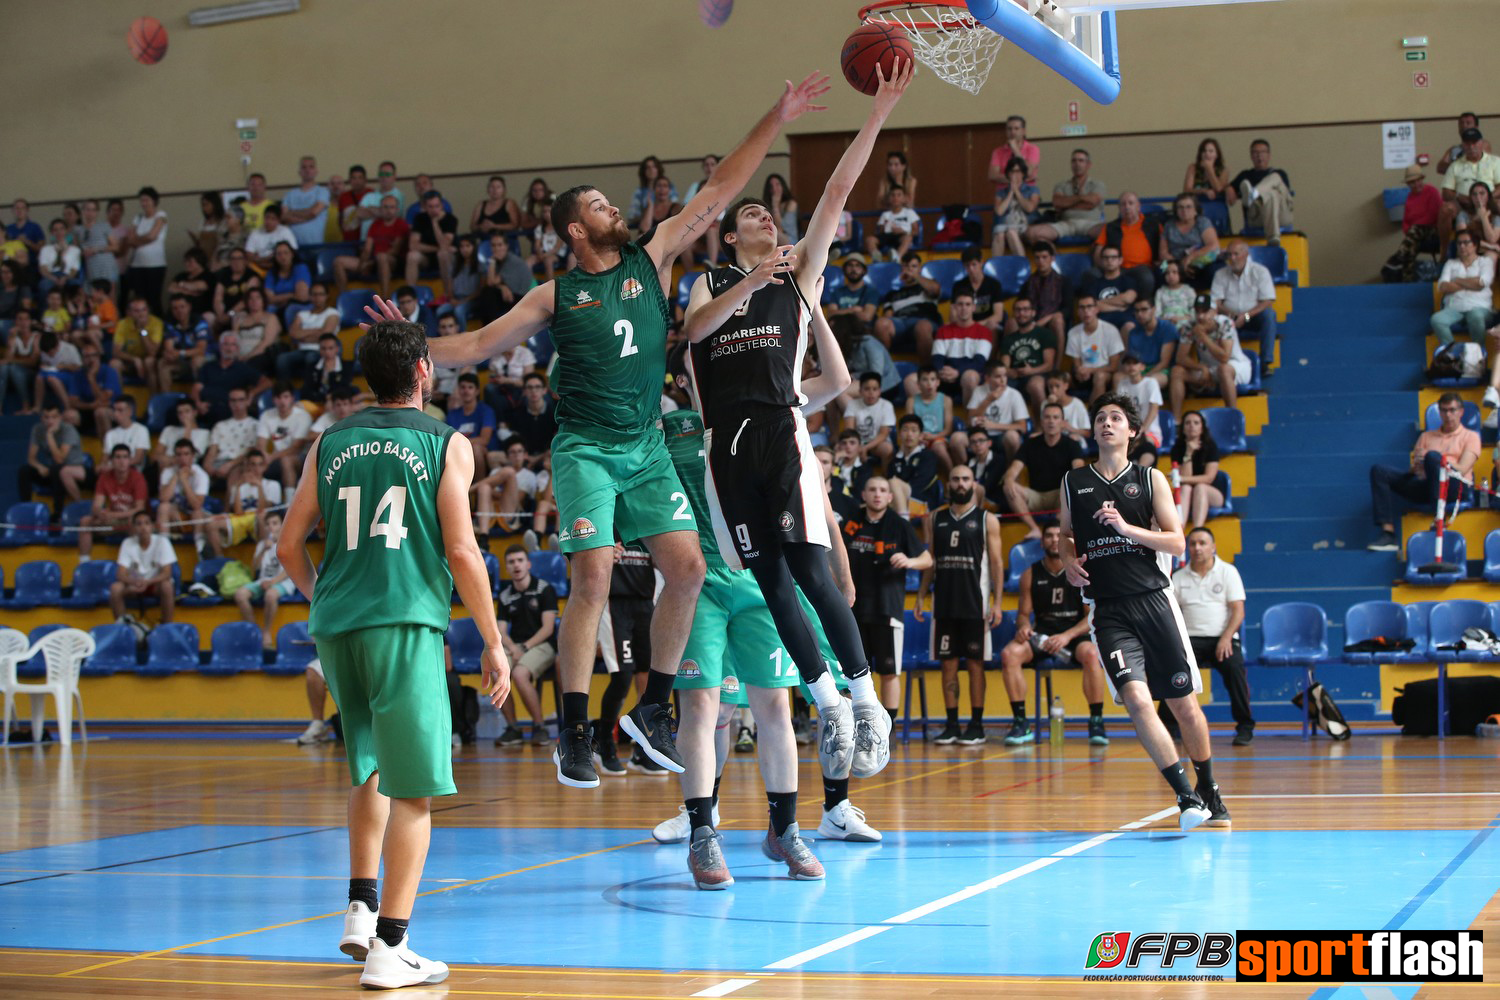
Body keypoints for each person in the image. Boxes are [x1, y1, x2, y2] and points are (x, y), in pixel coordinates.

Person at [404, 71, 831, 788]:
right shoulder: (556, 293)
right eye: (600, 205)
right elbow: (477, 346)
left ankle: (654, 708)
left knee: (689, 569)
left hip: (648, 448)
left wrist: (777, 115)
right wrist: (411, 348)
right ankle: (573, 727)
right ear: (577, 229)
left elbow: (720, 190)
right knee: (593, 574)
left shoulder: (653, 257)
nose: (615, 208)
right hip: (586, 451)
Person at [682, 62, 911, 781]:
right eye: (750, 214)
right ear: (731, 236)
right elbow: (694, 337)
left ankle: (867, 700)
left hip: (781, 431)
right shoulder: (711, 283)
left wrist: (878, 112)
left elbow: (840, 189)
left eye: (769, 215)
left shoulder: (797, 274)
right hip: (725, 444)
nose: (763, 218)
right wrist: (751, 279)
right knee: (770, 578)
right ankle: (827, 704)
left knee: (811, 569)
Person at [277, 318, 509, 989]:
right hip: (402, 620)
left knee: (369, 765)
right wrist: (493, 640)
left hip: (338, 625)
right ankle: (392, 947)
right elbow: (463, 551)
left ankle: (359, 905)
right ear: (423, 374)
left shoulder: (330, 440)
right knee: (414, 792)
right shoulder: (445, 442)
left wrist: (324, 599)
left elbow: (290, 546)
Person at [1061, 392, 1227, 831]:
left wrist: (1126, 527)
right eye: (1100, 418)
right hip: (1107, 609)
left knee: (1183, 704)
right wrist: (1066, 559)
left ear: (1132, 431)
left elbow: (1176, 542)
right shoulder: (1073, 482)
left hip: (1154, 599)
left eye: (1115, 418)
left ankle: (1208, 786)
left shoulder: (1150, 478)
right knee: (1136, 699)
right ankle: (1184, 795)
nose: (1106, 424)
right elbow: (1064, 534)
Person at [998, 521, 1109, 745]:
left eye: (1059, 535)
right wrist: (1022, 627)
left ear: (1068, 541)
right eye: (1048, 535)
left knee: (1091, 654)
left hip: (1074, 634)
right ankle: (1021, 722)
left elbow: (1091, 618)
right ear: (1042, 542)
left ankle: (1096, 721)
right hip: (1043, 634)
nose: (1053, 540)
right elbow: (1022, 614)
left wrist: (1067, 636)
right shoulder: (1031, 573)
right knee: (1009, 654)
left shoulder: (1082, 572)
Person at [917, 463, 1004, 745]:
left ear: (974, 484)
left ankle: (976, 725)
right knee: (948, 665)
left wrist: (998, 602)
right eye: (955, 479)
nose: (960, 484)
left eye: (966, 479)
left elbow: (997, 563)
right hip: (943, 603)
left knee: (976, 665)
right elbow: (930, 561)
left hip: (975, 605)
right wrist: (920, 594)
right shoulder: (933, 519)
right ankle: (952, 724)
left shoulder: (987, 520)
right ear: (949, 485)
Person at [844, 476, 930, 716]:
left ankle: (888, 727)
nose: (877, 494)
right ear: (864, 494)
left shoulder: (899, 525)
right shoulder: (853, 522)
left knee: (889, 671)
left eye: (883, 490)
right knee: (854, 673)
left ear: (890, 497)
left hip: (886, 609)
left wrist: (909, 560)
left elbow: (927, 560)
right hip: (853, 610)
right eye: (872, 489)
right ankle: (855, 724)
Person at [1170, 527, 1253, 746]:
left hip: (1222, 639)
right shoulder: (1178, 577)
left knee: (1235, 670)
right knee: (1174, 672)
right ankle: (1169, 727)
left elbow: (1238, 611)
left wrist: (1226, 638)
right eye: (1193, 544)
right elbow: (1171, 615)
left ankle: (1245, 727)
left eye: (1202, 543)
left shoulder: (1228, 572)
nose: (1197, 548)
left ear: (1213, 547)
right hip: (1190, 642)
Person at [1368, 391, 1479, 551]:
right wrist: (1418, 466)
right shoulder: (1426, 436)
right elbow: (1417, 471)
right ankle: (1388, 534)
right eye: (1444, 410)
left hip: (1456, 487)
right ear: (1439, 412)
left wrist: (1433, 459)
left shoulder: (1471, 436)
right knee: (1379, 471)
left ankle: (1438, 518)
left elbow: (1462, 469)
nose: (1448, 415)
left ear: (1461, 412)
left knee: (1434, 457)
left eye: (1452, 410)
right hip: (1428, 485)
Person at [590, 540, 656, 774]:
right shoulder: (609, 515)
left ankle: (644, 748)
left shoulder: (647, 518)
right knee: (623, 676)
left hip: (646, 601)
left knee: (648, 676)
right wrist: (602, 554)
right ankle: (604, 742)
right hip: (615, 603)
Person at [495, 545, 560, 746]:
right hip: (515, 645)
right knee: (499, 671)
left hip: (542, 645)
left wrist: (523, 648)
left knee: (519, 674)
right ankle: (513, 728)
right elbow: (500, 632)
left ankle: (539, 727)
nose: (516, 565)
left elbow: (548, 629)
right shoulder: (505, 596)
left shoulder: (544, 589)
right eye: (511, 562)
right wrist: (514, 648)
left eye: (520, 560)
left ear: (528, 564)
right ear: (507, 567)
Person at [1001, 402, 1085, 540]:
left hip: (1060, 495)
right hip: (1036, 496)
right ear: (1041, 421)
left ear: (1062, 422)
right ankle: (1034, 529)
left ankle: (1058, 528)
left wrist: (1072, 486)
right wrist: (1009, 480)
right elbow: (1013, 469)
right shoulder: (1030, 443)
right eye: (1047, 417)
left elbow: (1079, 471)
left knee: (1072, 487)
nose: (1051, 421)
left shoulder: (1072, 445)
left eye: (1055, 417)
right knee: (1008, 487)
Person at [1169, 292, 1251, 420]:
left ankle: (1232, 417)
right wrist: (1201, 367)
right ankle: (1176, 421)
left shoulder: (1226, 323)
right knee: (1176, 371)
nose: (1200, 316)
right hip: (1209, 368)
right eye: (1197, 311)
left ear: (1214, 312)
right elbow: (1180, 358)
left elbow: (1224, 357)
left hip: (1235, 365)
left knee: (1223, 369)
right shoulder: (1190, 326)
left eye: (1205, 311)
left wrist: (1203, 336)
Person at [1210, 239, 1277, 369]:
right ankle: (1217, 363)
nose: (1232, 258)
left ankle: (1265, 362)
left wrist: (1245, 316)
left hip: (1250, 317)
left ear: (1246, 254)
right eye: (1229, 255)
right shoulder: (1220, 274)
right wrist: (1232, 315)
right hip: (1229, 317)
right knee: (1210, 317)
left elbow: (1268, 301)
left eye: (1236, 254)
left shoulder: (1260, 271)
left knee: (1269, 315)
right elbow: (1216, 302)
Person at [232, 510, 295, 649]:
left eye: (274, 523)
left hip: (284, 581)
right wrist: (262, 551)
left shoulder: (289, 542)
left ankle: (266, 632)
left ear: (282, 524)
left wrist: (272, 582)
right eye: (268, 524)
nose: (271, 527)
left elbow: (290, 570)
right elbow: (254, 568)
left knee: (271, 595)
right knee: (240, 595)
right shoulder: (262, 544)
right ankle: (255, 631)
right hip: (264, 580)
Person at [1438, 126, 1500, 256]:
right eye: (1467, 143)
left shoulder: (1495, 162)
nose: (1471, 146)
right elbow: (1446, 193)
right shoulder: (1455, 166)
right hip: (1464, 203)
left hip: (1490, 202)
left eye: (1475, 142)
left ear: (1481, 143)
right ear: (1463, 146)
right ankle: (1444, 250)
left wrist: (1486, 197)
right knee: (1445, 209)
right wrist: (1460, 196)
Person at [18, 402, 90, 514]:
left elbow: (60, 459)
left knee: (57, 469)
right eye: (46, 417)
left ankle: (57, 512)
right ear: (42, 418)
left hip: (73, 471)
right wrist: (40, 467)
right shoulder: (38, 429)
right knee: (25, 470)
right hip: (53, 471)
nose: (50, 421)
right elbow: (31, 458)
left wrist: (49, 435)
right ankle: (26, 509)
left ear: (60, 417)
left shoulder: (68, 430)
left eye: (54, 417)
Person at [78, 444, 147, 557]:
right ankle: (84, 563)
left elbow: (139, 509)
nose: (121, 461)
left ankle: (138, 563)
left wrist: (112, 515)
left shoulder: (138, 478)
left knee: (135, 521)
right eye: (118, 457)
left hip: (129, 520)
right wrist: (99, 513)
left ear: (130, 460)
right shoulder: (104, 477)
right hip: (112, 520)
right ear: (112, 460)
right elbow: (96, 505)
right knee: (85, 521)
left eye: (125, 457)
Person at [1026, 148, 1106, 246]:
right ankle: (1053, 258)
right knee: (1032, 233)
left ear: (1088, 165)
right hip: (1066, 224)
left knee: (1112, 231)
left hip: (1090, 224)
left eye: (1081, 161)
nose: (1077, 164)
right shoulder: (1061, 185)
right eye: (1074, 161)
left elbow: (1093, 201)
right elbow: (1058, 203)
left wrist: (1067, 204)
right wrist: (1081, 198)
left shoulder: (1097, 184)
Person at [109, 510, 177, 624]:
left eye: (146, 523)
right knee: (115, 588)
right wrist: (134, 582)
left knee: (167, 586)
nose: (143, 527)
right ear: (134, 528)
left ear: (152, 526)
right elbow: (120, 574)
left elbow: (167, 573)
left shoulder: (162, 542)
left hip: (154, 584)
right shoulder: (127, 543)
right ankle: (122, 627)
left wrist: (148, 582)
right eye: (139, 524)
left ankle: (167, 624)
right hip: (134, 585)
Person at [335, 195, 408, 298]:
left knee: (382, 257)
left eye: (391, 207)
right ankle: (343, 297)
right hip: (373, 261)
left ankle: (385, 298)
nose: (388, 210)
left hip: (393, 261)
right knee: (339, 261)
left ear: (397, 209)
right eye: (385, 207)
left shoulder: (401, 224)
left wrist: (371, 263)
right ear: (381, 209)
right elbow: (367, 249)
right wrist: (362, 265)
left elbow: (394, 251)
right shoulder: (375, 224)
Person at [1430, 232, 1496, 344]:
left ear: (1475, 245)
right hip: (1454, 308)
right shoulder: (1451, 263)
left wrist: (1456, 280)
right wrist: (1472, 282)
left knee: (1475, 316)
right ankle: (1451, 353)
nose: (1461, 246)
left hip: (1479, 307)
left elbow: (1482, 284)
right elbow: (1443, 286)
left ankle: (1478, 355)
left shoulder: (1485, 262)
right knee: (1437, 320)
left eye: (1466, 243)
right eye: (1459, 243)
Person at [873, 250, 941, 359]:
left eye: (913, 266)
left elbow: (934, 289)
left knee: (922, 327)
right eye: (906, 266)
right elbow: (888, 316)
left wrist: (915, 276)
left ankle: (927, 371)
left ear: (920, 269)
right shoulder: (892, 294)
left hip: (923, 321)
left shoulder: (926, 286)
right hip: (900, 323)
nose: (909, 270)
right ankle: (886, 367)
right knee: (881, 323)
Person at [1381, 164, 1442, 283]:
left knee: (1414, 232)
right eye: (1412, 182)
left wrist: (1414, 227)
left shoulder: (1432, 192)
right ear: (1408, 184)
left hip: (1433, 230)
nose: (1416, 184)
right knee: (1411, 247)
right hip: (1416, 235)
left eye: (1418, 181)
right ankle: (1407, 280)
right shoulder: (1409, 197)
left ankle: (1397, 258)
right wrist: (1410, 230)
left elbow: (1433, 216)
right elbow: (1406, 221)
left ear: (1422, 180)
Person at [1093, 192, 1160, 299]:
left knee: (1146, 277)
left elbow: (1164, 246)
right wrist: (1106, 267)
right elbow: (1098, 252)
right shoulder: (1110, 227)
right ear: (1119, 208)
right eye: (1123, 204)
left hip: (1142, 268)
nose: (1127, 207)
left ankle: (1142, 309)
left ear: (1138, 206)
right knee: (1091, 274)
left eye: (1130, 203)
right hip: (1115, 267)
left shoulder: (1153, 225)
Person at [1226, 139, 1293, 244]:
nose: (1259, 155)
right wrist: (1229, 188)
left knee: (1275, 180)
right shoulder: (1245, 175)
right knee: (1272, 194)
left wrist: (1258, 192)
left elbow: (1285, 195)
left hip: (1281, 215)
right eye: (1255, 152)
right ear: (1251, 156)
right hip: (1257, 217)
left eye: (1263, 152)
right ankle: (1273, 237)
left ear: (1269, 155)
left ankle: (1254, 193)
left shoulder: (1280, 173)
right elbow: (1230, 199)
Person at [996, 297, 1056, 412]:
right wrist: (1010, 372)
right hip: (1015, 376)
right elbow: (1004, 366)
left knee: (1036, 385)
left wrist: (1031, 371)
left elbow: (1049, 364)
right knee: (999, 384)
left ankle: (1041, 426)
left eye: (1025, 309)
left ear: (1033, 312)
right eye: (1018, 310)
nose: (1021, 313)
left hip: (1038, 373)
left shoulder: (1045, 334)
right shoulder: (1008, 339)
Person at [1064, 294, 1124, 402]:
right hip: (1084, 373)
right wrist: (1079, 371)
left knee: (1099, 377)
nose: (1086, 311)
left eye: (1089, 306)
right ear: (1078, 312)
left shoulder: (1110, 330)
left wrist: (1091, 370)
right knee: (1062, 378)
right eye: (1082, 307)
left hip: (1105, 373)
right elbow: (1077, 363)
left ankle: (1094, 413)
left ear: (1097, 309)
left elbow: (1114, 366)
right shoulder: (1073, 333)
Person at [258, 381, 314, 486]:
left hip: (300, 459)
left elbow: (296, 447)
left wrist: (270, 457)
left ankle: (289, 500)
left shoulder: (303, 416)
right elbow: (261, 444)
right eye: (278, 397)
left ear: (292, 398)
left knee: (286, 460)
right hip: (273, 459)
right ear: (273, 399)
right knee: (251, 462)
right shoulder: (266, 415)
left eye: (286, 397)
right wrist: (263, 457)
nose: (282, 401)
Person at [406, 190, 458, 299]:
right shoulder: (420, 218)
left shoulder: (451, 219)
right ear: (425, 206)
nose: (434, 210)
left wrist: (435, 223)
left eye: (437, 206)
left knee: (443, 254)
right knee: (412, 256)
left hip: (447, 258)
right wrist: (438, 248)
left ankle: (448, 294)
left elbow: (444, 245)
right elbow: (413, 245)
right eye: (430, 206)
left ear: (442, 205)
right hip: (427, 258)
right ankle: (409, 296)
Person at [1160, 194, 1220, 288]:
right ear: (1176, 210)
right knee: (1159, 271)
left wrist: (1189, 259)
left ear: (1195, 210)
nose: (1184, 210)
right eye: (1180, 207)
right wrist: (1177, 266)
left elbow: (1212, 245)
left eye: (1188, 207)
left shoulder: (1202, 222)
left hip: (1199, 260)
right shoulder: (1169, 225)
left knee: (1214, 271)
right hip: (1175, 262)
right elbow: (1163, 252)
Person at [124, 187, 169, 310]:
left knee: (154, 298)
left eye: (147, 200)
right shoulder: (138, 217)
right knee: (139, 298)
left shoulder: (161, 215)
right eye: (142, 200)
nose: (144, 203)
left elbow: (152, 236)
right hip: (137, 265)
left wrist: (138, 239)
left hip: (155, 264)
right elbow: (130, 239)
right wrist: (141, 239)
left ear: (154, 201)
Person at [1117, 298, 1177, 390]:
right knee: (1118, 378)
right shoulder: (1133, 332)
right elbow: (1132, 359)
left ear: (1153, 309)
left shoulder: (1167, 328)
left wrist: (1143, 378)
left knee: (1151, 382)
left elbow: (1164, 362)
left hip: (1161, 370)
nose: (1140, 314)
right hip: (1140, 369)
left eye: (1144, 309)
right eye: (1137, 311)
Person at [991, 156, 1040, 258]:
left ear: (1023, 174)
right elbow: (999, 211)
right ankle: (996, 268)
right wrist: (1010, 192)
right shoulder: (1001, 192)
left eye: (1018, 171)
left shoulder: (1032, 190)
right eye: (1012, 171)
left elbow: (1029, 208)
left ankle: (1022, 265)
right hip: (1005, 224)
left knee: (1011, 232)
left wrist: (1017, 192)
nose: (1015, 175)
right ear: (1008, 174)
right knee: (999, 233)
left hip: (1025, 225)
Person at [1116, 354, 1164, 451]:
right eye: (1128, 363)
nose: (1131, 366)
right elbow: (1120, 411)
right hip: (1129, 433)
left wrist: (1141, 430)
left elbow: (1153, 411)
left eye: (1135, 363)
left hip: (1151, 432)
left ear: (1142, 366)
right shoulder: (1122, 384)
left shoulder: (1151, 383)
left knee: (1141, 447)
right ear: (1124, 367)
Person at [282, 156, 331, 247]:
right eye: (304, 167)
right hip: (293, 247)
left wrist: (292, 212)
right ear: (299, 172)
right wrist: (307, 215)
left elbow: (313, 213)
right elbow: (284, 217)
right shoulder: (289, 194)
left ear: (316, 171)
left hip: (316, 246)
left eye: (311, 167)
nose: (307, 170)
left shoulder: (323, 191)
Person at [864, 185, 920, 261]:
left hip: (902, 236)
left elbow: (916, 231)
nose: (895, 198)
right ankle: (876, 257)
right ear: (889, 199)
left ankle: (897, 258)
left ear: (904, 198)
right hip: (887, 235)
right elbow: (880, 232)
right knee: (870, 239)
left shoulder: (909, 212)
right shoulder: (885, 214)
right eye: (893, 195)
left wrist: (903, 231)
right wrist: (885, 227)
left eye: (899, 195)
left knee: (908, 238)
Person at [990, 115, 1040, 185]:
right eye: (1009, 129)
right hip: (1004, 192)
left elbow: (1028, 171)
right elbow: (993, 176)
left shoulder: (1033, 149)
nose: (1012, 132)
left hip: (1027, 192)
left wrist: (1015, 149)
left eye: (1016, 129)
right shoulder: (998, 152)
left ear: (1023, 131)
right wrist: (1021, 178)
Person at [470, 175, 521, 243]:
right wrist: (481, 227)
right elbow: (472, 226)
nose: (495, 190)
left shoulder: (509, 203)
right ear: (488, 189)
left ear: (504, 190)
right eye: (492, 187)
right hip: (486, 243)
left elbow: (515, 225)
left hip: (507, 243)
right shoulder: (481, 204)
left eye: (498, 187)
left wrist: (494, 226)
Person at [1183, 137, 1230, 207]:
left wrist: (1209, 169)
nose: (1207, 154)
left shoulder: (1224, 170)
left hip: (1216, 205)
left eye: (1211, 151)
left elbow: (1218, 188)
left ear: (1216, 155)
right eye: (1204, 151)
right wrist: (1204, 191)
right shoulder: (1193, 167)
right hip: (1196, 205)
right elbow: (1187, 190)